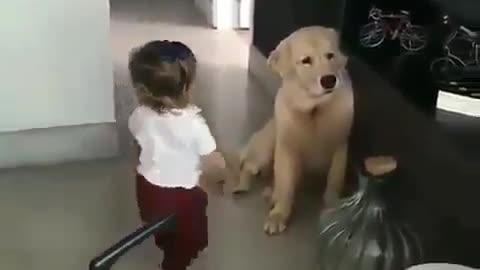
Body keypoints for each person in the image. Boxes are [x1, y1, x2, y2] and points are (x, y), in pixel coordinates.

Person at [127, 40, 225, 270]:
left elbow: (138, 144)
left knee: (159, 226)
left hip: (147, 188)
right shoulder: (195, 125)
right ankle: (175, 263)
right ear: (187, 88)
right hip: (184, 196)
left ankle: (167, 242)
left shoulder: (139, 115)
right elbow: (213, 161)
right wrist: (221, 177)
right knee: (190, 238)